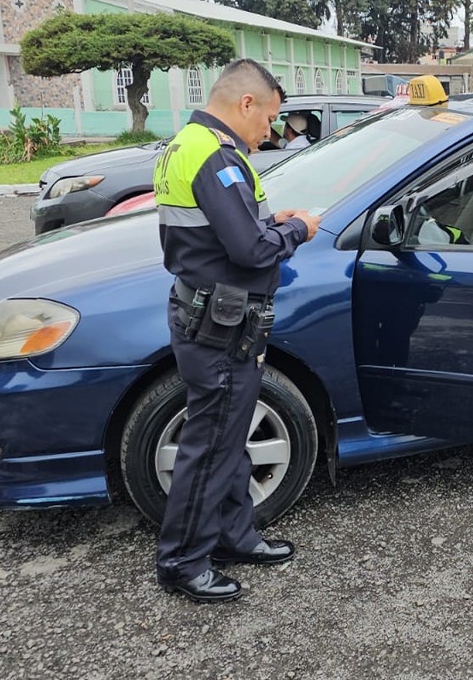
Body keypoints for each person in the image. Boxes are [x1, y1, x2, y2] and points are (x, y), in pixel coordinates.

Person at [152, 58, 321, 602]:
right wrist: (296, 229)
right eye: (268, 118)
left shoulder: (191, 143)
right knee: (210, 444)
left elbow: (226, 230)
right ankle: (182, 562)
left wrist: (271, 222)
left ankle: (232, 534)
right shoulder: (216, 158)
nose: (269, 131)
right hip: (218, 324)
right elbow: (247, 250)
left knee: (230, 437)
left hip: (216, 318)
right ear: (246, 104)